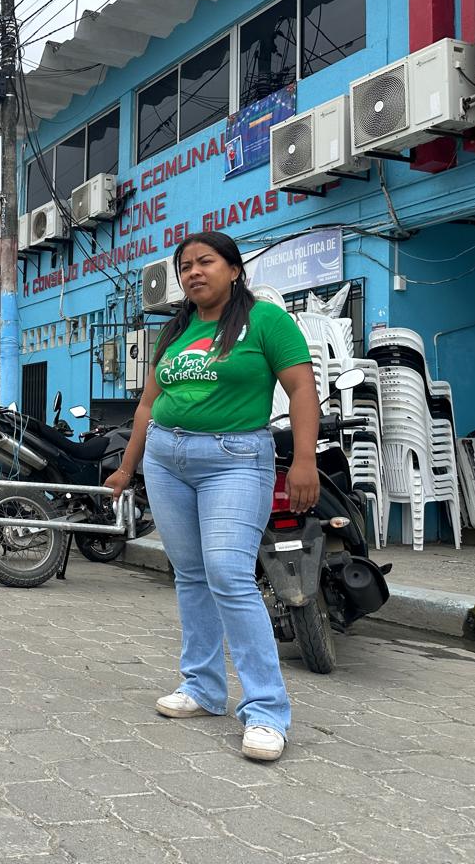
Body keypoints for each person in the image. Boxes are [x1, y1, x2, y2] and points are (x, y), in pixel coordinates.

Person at [105, 232, 319, 762]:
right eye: (185, 267)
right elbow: (147, 404)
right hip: (165, 459)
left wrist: (305, 460)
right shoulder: (176, 328)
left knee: (228, 573)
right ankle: (202, 687)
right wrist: (126, 468)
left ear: (235, 269)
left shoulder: (266, 321)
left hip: (235, 459)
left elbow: (301, 389)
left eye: (206, 262)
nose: (193, 272)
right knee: (191, 574)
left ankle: (266, 710)